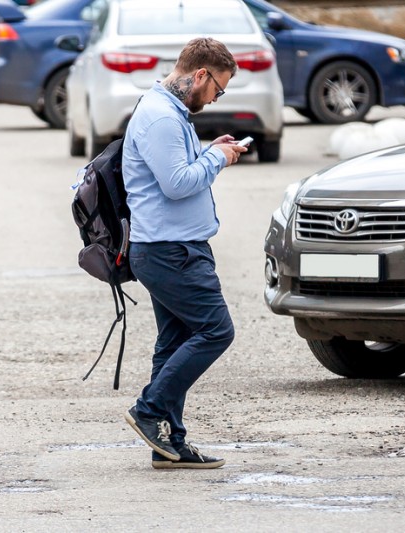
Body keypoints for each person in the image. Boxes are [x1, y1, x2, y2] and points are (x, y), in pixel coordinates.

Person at [121, 37, 248, 469]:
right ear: (200, 75)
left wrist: (209, 149)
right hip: (169, 251)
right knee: (216, 331)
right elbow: (177, 184)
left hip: (170, 248)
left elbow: (174, 169)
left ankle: (169, 444)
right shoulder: (161, 117)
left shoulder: (169, 113)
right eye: (218, 88)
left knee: (173, 342)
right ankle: (149, 411)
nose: (216, 98)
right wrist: (219, 160)